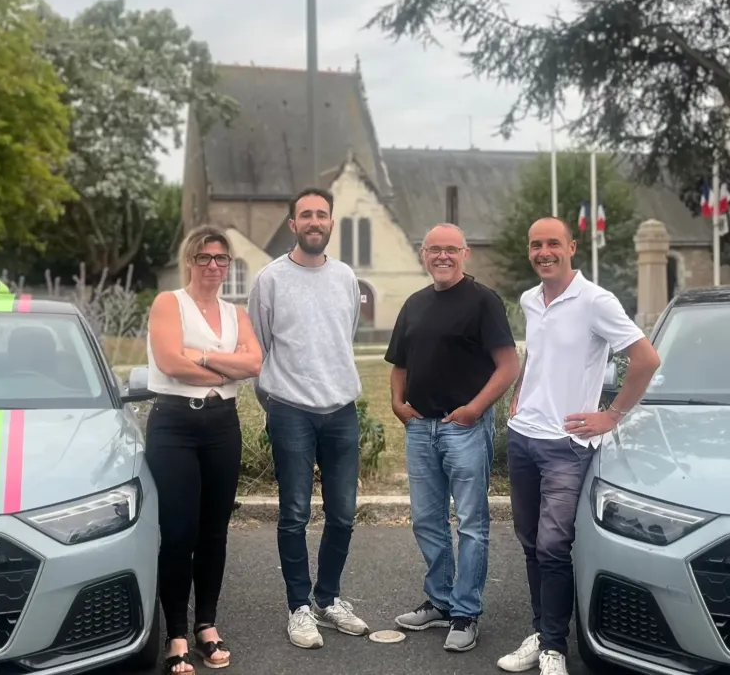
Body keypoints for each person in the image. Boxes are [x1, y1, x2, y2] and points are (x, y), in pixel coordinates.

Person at [496, 217, 660, 675]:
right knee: (530, 542)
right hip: (525, 437)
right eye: (535, 245)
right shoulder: (531, 299)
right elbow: (538, 353)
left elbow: (646, 359)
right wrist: (521, 391)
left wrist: (613, 414)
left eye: (552, 244)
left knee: (552, 544)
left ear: (571, 247)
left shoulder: (595, 301)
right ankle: (541, 629)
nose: (543, 252)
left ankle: (554, 647)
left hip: (568, 445)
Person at [386, 223, 521, 653]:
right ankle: (440, 601)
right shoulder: (415, 304)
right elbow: (399, 363)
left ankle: (466, 612)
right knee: (427, 521)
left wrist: (475, 410)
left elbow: (508, 366)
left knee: (472, 524)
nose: (442, 256)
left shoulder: (483, 301)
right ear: (423, 254)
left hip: (463, 427)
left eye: (451, 250)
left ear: (465, 254)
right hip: (420, 427)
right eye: (434, 250)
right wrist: (397, 402)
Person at [247, 186, 370, 649]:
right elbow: (259, 348)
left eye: (322, 214)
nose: (315, 221)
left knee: (343, 514)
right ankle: (299, 608)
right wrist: (276, 404)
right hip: (291, 411)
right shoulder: (270, 279)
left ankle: (328, 598)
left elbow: (345, 339)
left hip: (341, 410)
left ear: (330, 222)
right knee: (294, 515)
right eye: (306, 215)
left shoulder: (345, 277)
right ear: (293, 224)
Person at [145, 225, 263, 673]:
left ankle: (206, 625)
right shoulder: (168, 303)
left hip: (221, 427)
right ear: (189, 261)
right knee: (178, 533)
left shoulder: (237, 314)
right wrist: (224, 369)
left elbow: (254, 363)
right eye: (204, 258)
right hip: (174, 425)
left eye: (221, 259)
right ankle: (176, 631)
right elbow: (170, 361)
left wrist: (202, 356)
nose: (213, 266)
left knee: (214, 531)